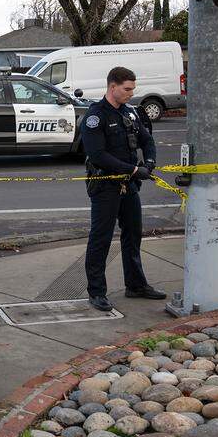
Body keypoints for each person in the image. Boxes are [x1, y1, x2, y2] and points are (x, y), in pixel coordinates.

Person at [79, 66, 167, 312]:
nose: (131, 93)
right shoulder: (96, 116)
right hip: (105, 185)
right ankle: (96, 292)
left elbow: (147, 140)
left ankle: (136, 285)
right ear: (112, 87)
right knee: (101, 239)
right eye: (127, 89)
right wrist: (133, 170)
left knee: (133, 234)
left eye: (132, 89)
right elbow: (97, 155)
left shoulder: (130, 113)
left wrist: (148, 164)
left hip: (129, 185)